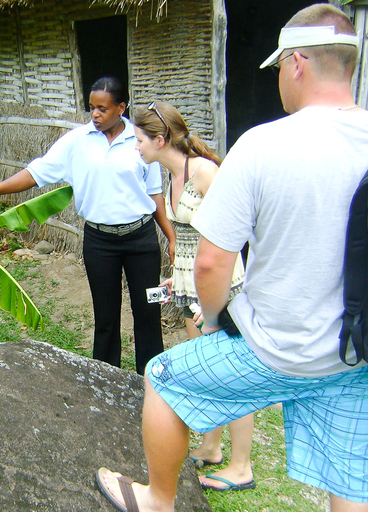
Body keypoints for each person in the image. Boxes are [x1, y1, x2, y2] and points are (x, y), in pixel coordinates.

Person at [96, 4, 368, 512]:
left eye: (279, 66)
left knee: (164, 377)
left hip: (274, 348)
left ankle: (157, 500)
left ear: (296, 63)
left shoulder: (262, 145)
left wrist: (213, 322)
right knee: (351, 478)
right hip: (357, 352)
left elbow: (212, 262)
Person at [0, 76, 176, 374]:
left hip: (141, 240)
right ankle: (106, 379)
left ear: (121, 107)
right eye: (91, 107)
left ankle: (152, 381)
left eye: (103, 108)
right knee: (105, 317)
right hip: (99, 242)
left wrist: (171, 238)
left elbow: (155, 196)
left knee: (149, 309)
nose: (95, 114)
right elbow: (36, 173)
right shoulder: (76, 142)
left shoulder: (140, 142)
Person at [133, 102, 255, 492]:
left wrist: (212, 299)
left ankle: (242, 466)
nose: (135, 146)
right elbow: (186, 241)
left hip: (219, 290)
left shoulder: (205, 172)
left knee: (234, 376)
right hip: (189, 287)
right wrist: (178, 280)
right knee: (207, 370)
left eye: (138, 140)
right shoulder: (170, 175)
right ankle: (212, 446)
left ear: (159, 139)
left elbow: (231, 237)